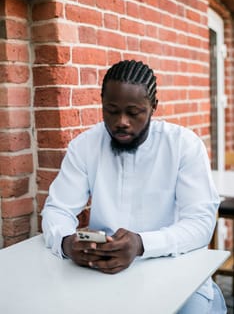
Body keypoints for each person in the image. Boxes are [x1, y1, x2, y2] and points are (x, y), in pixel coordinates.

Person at [42, 60, 227, 313]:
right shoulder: (85, 146)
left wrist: (141, 244)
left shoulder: (184, 145)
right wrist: (65, 242)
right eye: (111, 110)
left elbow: (200, 224)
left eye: (133, 112)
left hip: (176, 272)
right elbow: (56, 210)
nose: (122, 122)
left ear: (153, 107)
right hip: (103, 274)